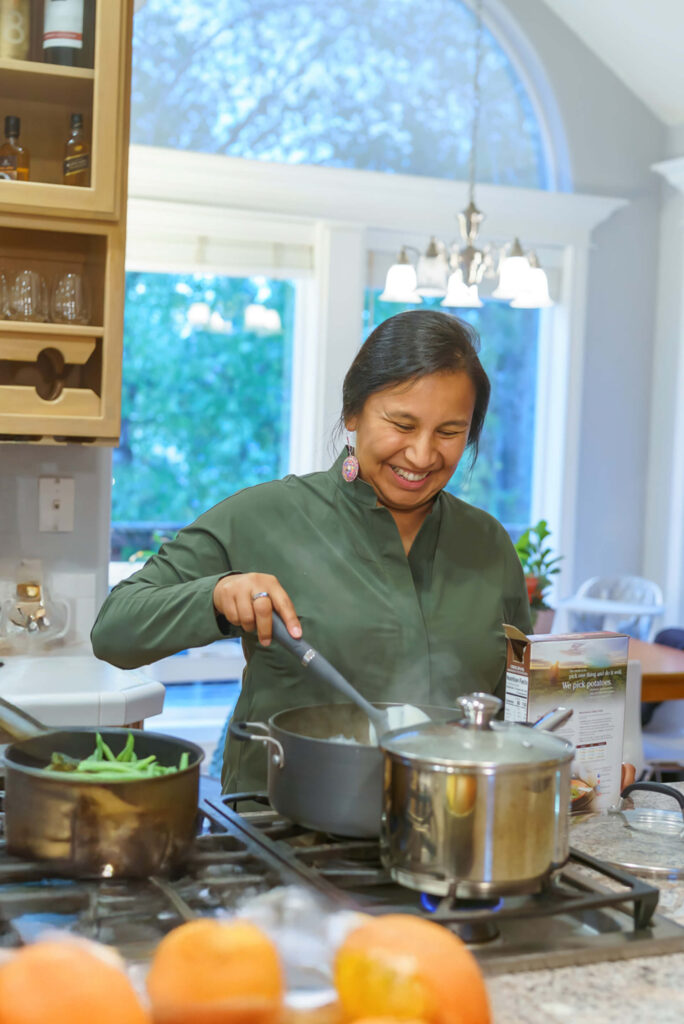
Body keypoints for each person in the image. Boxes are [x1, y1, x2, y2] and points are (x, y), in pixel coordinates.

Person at [92, 309, 532, 792]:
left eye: (449, 432)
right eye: (402, 425)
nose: (423, 455)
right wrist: (216, 596)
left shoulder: (487, 544)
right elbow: (115, 629)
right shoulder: (265, 516)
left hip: (447, 831)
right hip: (282, 835)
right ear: (353, 412)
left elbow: (516, 703)